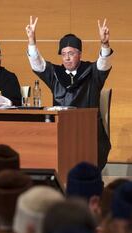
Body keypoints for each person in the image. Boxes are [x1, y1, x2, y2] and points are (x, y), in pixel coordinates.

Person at [25, 16, 113, 170]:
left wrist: (104, 44)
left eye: (71, 53)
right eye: (63, 53)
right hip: (62, 129)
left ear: (79, 54)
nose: (66, 57)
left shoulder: (91, 72)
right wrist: (32, 41)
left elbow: (104, 64)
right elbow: (38, 65)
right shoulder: (55, 74)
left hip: (88, 130)